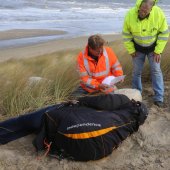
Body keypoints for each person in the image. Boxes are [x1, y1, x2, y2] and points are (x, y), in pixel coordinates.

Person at [122, 0, 169, 107]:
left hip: (154, 49)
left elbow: (164, 32)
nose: (144, 11)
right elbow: (126, 35)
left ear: (152, 8)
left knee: (156, 71)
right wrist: (131, 50)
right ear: (139, 5)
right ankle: (136, 94)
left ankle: (159, 98)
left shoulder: (158, 13)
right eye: (142, 9)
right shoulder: (130, 14)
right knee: (136, 72)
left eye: (147, 9)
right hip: (137, 49)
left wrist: (158, 51)